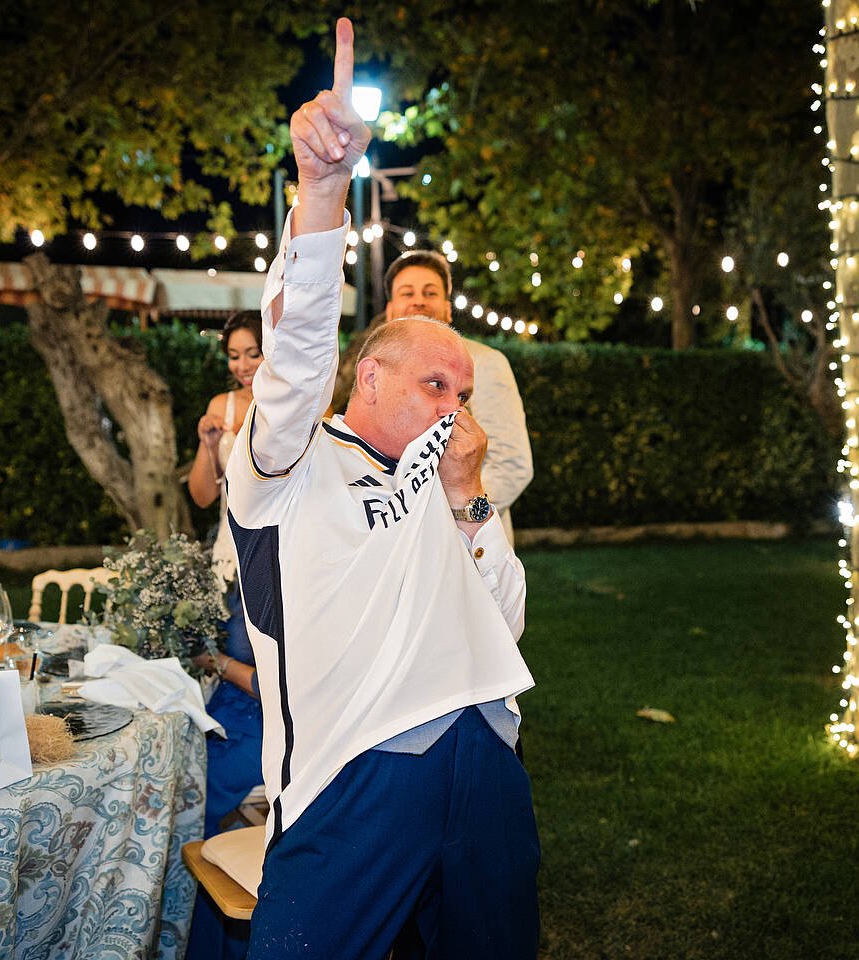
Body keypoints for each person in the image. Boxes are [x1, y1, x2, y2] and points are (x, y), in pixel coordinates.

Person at [222, 19, 538, 958]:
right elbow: (296, 350)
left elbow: (506, 619)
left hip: (483, 752)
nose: (454, 404)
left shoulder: (450, 480)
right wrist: (322, 193)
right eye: (434, 385)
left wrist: (470, 502)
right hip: (355, 770)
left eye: (464, 392)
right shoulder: (289, 463)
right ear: (368, 381)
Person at [330, 250, 534, 544]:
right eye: (407, 292)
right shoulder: (378, 369)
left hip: (466, 543)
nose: (418, 301)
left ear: (448, 310)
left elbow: (512, 465)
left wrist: (450, 515)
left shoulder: (486, 363)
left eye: (430, 292)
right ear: (390, 311)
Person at [184, 312, 265, 960]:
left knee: (249, 664)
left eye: (251, 353)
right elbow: (203, 493)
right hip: (225, 556)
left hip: (270, 557)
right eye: (235, 356)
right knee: (219, 674)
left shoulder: (301, 402)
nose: (242, 366)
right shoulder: (223, 405)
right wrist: (210, 443)